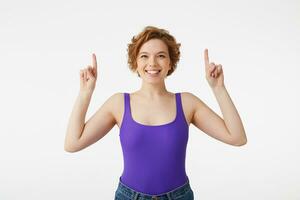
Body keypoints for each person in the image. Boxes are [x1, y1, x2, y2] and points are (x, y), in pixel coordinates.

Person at [64, 26, 247, 200]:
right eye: (144, 56)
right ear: (135, 62)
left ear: (170, 63)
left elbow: (237, 137)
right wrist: (85, 93)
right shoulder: (118, 103)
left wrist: (219, 88)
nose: (152, 63)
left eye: (161, 56)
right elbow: (73, 143)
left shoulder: (187, 103)